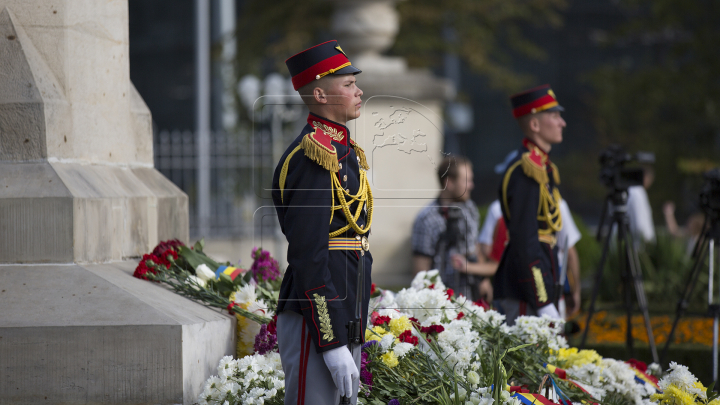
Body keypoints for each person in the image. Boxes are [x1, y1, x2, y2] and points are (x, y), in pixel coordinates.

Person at [271, 40, 371, 405]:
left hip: (345, 313)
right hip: (317, 321)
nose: (358, 91)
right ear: (320, 94)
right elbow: (309, 256)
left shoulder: (343, 153)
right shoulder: (314, 156)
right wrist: (330, 341)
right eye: (347, 85)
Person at [493, 84, 566, 325]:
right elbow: (525, 241)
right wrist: (542, 300)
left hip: (543, 276)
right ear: (534, 125)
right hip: (526, 289)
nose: (561, 123)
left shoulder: (544, 168)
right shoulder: (526, 170)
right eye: (554, 116)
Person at [411, 156, 497, 300]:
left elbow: (475, 250)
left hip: (471, 299)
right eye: (466, 181)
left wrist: (485, 283)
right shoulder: (426, 219)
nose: (471, 185)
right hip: (441, 304)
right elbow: (420, 271)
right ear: (449, 183)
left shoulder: (470, 209)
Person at [627, 167, 656, 245]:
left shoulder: (631, 190)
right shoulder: (638, 192)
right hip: (640, 244)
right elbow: (640, 221)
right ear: (646, 177)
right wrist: (646, 241)